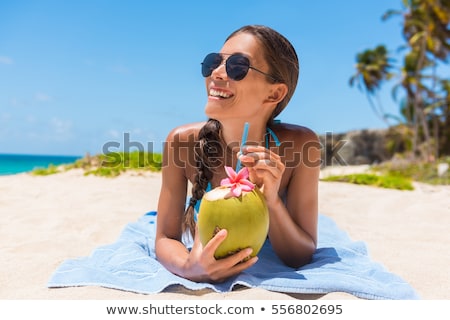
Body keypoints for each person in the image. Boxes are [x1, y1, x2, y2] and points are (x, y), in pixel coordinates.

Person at [155, 25, 320, 283]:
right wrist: (189, 267)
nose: (216, 74)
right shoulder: (181, 142)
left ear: (274, 93)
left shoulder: (301, 146)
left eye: (237, 66)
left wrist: (272, 201)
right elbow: (165, 238)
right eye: (213, 62)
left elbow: (300, 256)